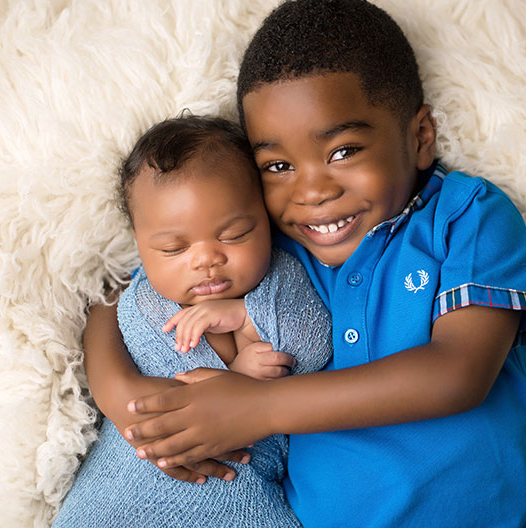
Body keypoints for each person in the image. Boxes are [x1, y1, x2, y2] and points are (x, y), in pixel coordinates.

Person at [85, 0, 526, 527]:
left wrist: (256, 408)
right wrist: (128, 400)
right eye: (278, 165)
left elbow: (457, 373)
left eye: (343, 151)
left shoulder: (464, 218)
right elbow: (120, 291)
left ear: (421, 137)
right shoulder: (270, 248)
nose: (311, 191)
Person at [53, 116, 332, 527]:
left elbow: (313, 344)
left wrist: (245, 315)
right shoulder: (142, 299)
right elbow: (118, 337)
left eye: (234, 234)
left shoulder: (279, 277)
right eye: (173, 247)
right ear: (141, 246)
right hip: (116, 493)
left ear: (264, 218)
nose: (205, 259)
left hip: (237, 491)